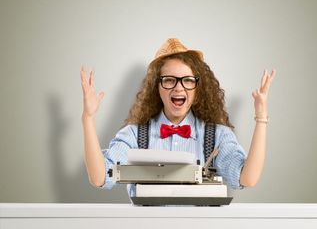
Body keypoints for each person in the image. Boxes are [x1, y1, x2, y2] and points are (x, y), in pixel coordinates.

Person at [81, 38, 276, 197]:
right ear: (157, 88)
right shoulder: (134, 135)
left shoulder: (217, 136)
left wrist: (261, 118)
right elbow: (100, 178)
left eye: (188, 80)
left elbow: (247, 179)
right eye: (169, 80)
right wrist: (88, 119)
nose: (179, 87)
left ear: (197, 89)